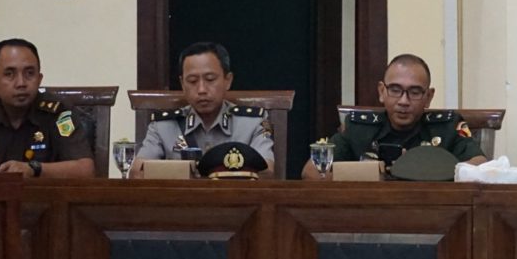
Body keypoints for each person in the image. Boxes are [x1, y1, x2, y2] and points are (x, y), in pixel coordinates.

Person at [301, 54, 486, 179]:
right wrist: (370, 176)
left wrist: (426, 172)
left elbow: (480, 164)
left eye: (414, 92)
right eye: (395, 90)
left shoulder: (447, 127)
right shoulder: (359, 128)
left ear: (428, 97)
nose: (404, 101)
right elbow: (311, 171)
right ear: (382, 91)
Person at [0, 38, 94, 177]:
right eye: (9, 74)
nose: (21, 83)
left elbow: (85, 169)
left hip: (42, 198)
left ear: (39, 79)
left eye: (29, 73)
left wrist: (34, 169)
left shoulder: (58, 113)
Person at [133, 42, 274, 178]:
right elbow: (137, 173)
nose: (201, 89)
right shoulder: (163, 126)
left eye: (210, 79)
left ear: (228, 80)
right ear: (182, 84)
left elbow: (266, 172)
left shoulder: (253, 123)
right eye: (192, 81)